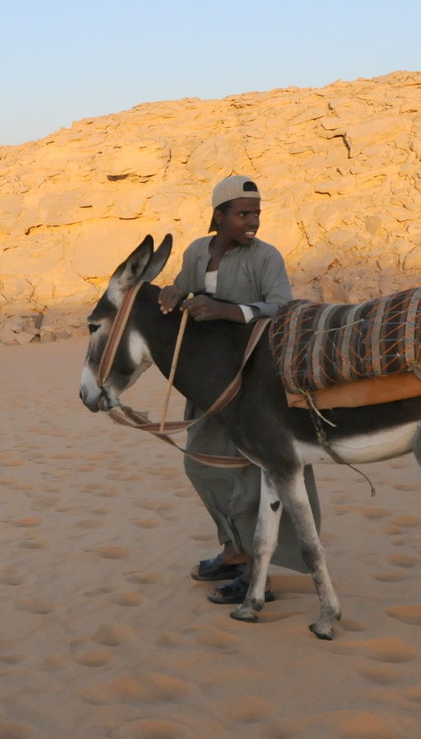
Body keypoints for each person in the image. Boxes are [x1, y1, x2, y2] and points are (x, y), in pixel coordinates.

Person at [158, 175, 320, 604]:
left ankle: (257, 571)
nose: (253, 222)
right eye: (243, 214)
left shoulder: (266, 257)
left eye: (257, 214)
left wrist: (228, 311)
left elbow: (282, 305)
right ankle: (232, 550)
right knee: (201, 465)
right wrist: (175, 292)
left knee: (253, 477)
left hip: (255, 381)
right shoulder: (197, 251)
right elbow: (185, 286)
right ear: (219, 216)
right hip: (209, 379)